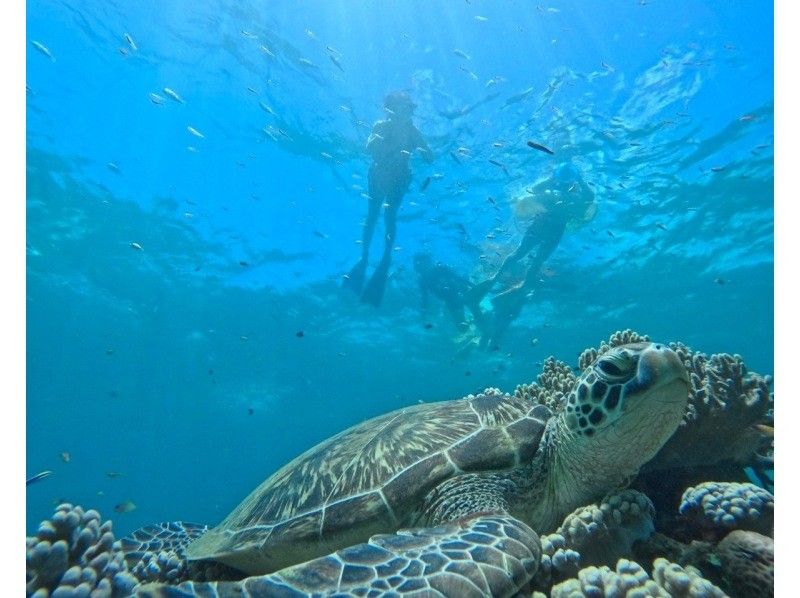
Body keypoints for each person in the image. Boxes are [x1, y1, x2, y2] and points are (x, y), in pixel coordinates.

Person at [471, 162, 596, 348]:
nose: (564, 184)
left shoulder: (561, 193)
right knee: (531, 259)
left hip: (543, 228)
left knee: (523, 256)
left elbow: (587, 197)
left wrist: (561, 179)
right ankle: (510, 285)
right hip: (550, 230)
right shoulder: (569, 194)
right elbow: (587, 197)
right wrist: (573, 180)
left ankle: (500, 283)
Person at [343, 91, 433, 306]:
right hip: (378, 174)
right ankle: (365, 255)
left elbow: (430, 157)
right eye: (400, 107)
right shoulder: (380, 126)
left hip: (400, 178)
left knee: (389, 215)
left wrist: (423, 150)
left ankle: (385, 256)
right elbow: (367, 148)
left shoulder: (413, 131)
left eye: (407, 107)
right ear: (390, 108)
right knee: (373, 214)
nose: (405, 111)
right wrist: (382, 141)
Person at [413, 253, 486, 331]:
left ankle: (484, 328)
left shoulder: (441, 269)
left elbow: (459, 278)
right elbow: (425, 299)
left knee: (477, 315)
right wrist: (424, 313)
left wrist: (475, 287)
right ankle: (478, 329)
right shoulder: (422, 281)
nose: (422, 267)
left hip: (462, 293)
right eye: (419, 265)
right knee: (462, 326)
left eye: (423, 264)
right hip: (450, 301)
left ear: (429, 262)